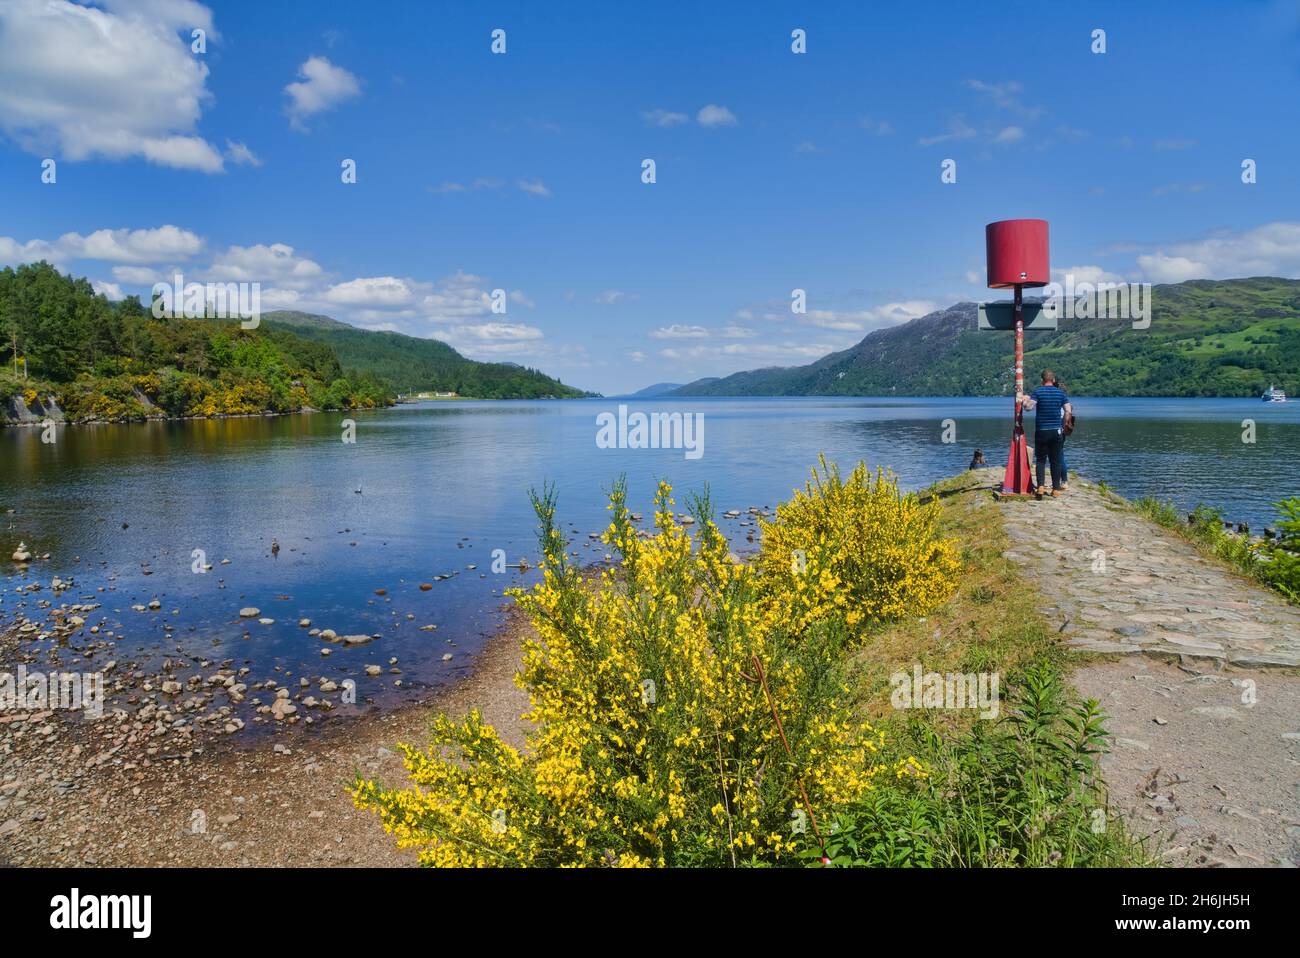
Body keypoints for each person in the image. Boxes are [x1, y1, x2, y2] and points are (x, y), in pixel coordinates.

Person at [1018, 370, 1072, 499]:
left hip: (1041, 431)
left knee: (1041, 460)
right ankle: (1055, 489)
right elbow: (1068, 411)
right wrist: (1064, 425)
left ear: (1042, 380)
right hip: (1056, 431)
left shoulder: (1038, 392)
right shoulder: (1060, 393)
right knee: (1056, 461)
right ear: (1053, 380)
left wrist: (1025, 400)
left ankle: (1040, 487)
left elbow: (1028, 408)